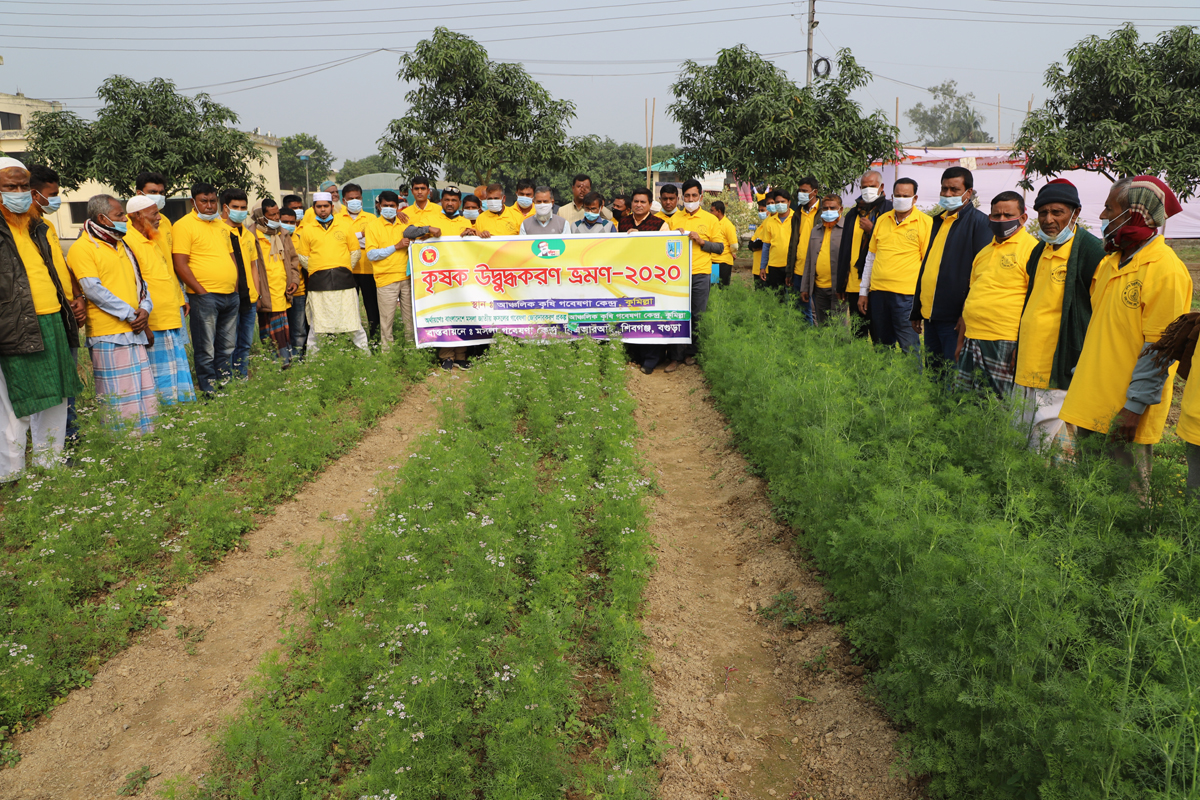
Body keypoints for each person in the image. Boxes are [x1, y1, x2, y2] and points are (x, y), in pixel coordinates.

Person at [1059, 176, 1192, 483]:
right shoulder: (1110, 262)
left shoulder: (1165, 270)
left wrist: (1133, 409)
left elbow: (1160, 348)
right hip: (1092, 398)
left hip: (1125, 410)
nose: (1103, 216)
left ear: (1135, 213)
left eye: (1110, 207)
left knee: (1126, 502)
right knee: (1090, 492)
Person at [0, 157, 81, 481]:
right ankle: (11, 475)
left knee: (57, 397)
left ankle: (51, 465)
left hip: (53, 319)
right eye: (10, 186)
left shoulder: (36, 225)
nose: (19, 193)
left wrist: (70, 303)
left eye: (23, 186)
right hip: (13, 324)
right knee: (14, 403)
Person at [1012, 179, 1106, 452]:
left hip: (1061, 361)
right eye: (1043, 213)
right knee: (1023, 433)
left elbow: (1098, 310)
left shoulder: (1090, 251)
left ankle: (1051, 491)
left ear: (1075, 213)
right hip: (1029, 360)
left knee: (1052, 442)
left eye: (1057, 212)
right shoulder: (1039, 250)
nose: (1049, 219)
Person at [67, 195, 157, 433]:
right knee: (120, 398)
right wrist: (131, 315)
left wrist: (145, 309)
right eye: (119, 215)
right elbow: (93, 290)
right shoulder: (82, 248)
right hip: (109, 335)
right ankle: (123, 448)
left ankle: (148, 443)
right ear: (102, 218)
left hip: (134, 329)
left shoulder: (122, 245)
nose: (124, 218)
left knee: (143, 395)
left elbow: (141, 282)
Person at [952, 191, 1037, 399]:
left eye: (1008, 216)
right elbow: (971, 298)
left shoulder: (1032, 250)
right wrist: (961, 341)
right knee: (966, 403)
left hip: (1004, 341)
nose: (1001, 220)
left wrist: (1024, 348)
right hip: (973, 338)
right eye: (996, 215)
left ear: (1023, 218)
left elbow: (1036, 303)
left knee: (1000, 407)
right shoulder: (984, 252)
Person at [910, 166, 992, 372]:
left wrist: (965, 313)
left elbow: (981, 276)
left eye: (954, 190)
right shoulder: (937, 221)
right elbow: (927, 267)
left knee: (954, 376)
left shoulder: (980, 224)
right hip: (931, 315)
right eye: (944, 189)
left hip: (955, 320)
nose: (947, 194)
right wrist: (917, 309)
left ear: (969, 193)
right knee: (933, 374)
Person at [28, 164, 85, 441]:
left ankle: (69, 433)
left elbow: (60, 267)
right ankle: (50, 441)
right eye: (52, 194)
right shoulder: (20, 229)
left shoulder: (46, 225)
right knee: (47, 382)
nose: (55, 200)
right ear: (33, 193)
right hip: (38, 316)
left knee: (67, 377)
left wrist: (77, 299)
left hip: (63, 312)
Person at [125, 195, 194, 405]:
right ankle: (164, 417)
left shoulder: (151, 237)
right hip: (152, 321)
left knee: (176, 374)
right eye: (154, 213)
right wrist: (144, 323)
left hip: (170, 316)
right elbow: (133, 285)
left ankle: (179, 415)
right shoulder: (128, 240)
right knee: (160, 377)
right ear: (136, 216)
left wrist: (180, 298)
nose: (159, 218)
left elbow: (166, 274)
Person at [172, 181, 238, 393]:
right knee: (206, 348)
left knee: (227, 346)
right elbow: (180, 264)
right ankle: (209, 389)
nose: (210, 206)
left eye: (213, 201)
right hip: (205, 297)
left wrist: (235, 286)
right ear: (193, 202)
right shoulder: (183, 225)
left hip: (230, 295)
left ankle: (225, 385)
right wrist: (201, 292)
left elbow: (230, 257)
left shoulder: (221, 225)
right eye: (204, 201)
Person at [858, 178, 929, 353]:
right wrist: (863, 292)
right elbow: (871, 258)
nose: (901, 198)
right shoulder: (882, 220)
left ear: (915, 198)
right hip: (879, 293)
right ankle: (885, 380)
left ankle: (911, 381)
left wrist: (921, 303)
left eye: (906, 195)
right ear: (891, 195)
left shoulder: (925, 223)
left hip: (906, 297)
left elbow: (928, 265)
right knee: (882, 345)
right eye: (897, 195)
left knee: (909, 347)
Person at [294, 191, 368, 353]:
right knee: (317, 326)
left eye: (325, 206)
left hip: (345, 282)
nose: (322, 210)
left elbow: (354, 252)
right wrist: (320, 268)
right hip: (319, 283)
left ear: (332, 207)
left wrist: (342, 267)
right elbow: (303, 257)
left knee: (353, 324)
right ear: (313, 208)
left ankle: (366, 358)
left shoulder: (345, 226)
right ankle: (313, 363)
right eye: (319, 206)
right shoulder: (307, 230)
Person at [663, 179, 723, 373]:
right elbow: (663, 247)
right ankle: (675, 357)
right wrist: (673, 236)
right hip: (677, 276)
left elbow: (720, 248)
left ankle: (692, 353)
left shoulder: (711, 219)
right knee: (677, 316)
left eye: (694, 196)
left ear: (701, 197)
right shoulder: (673, 219)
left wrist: (701, 241)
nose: (690, 199)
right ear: (682, 197)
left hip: (700, 274)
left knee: (697, 315)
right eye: (687, 196)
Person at [366, 190, 426, 350]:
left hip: (407, 278)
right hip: (386, 279)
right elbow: (372, 254)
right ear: (379, 206)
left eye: (392, 206)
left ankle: (411, 350)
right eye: (385, 205)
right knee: (387, 320)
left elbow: (420, 236)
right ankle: (387, 354)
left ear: (398, 207)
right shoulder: (372, 226)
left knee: (410, 318)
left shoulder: (404, 223)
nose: (389, 208)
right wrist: (396, 247)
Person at [837, 171, 891, 338]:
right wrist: (841, 283)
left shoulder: (889, 211)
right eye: (864, 187)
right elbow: (844, 249)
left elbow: (892, 244)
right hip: (854, 284)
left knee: (879, 334)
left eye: (872, 186)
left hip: (877, 285)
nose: (868, 190)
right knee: (858, 332)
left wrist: (872, 230)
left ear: (881, 187)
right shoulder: (853, 214)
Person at [219, 187, 262, 379]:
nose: (240, 210)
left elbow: (254, 267)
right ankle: (227, 379)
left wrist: (257, 294)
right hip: (229, 296)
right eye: (235, 206)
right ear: (225, 208)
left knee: (245, 342)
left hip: (249, 297)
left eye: (243, 207)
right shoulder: (219, 231)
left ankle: (241, 376)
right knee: (229, 343)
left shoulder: (248, 234)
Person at [253, 198, 301, 367]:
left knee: (283, 329)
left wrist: (294, 281)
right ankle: (273, 364)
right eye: (271, 215)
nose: (276, 218)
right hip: (265, 291)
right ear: (260, 216)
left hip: (282, 289)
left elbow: (293, 261)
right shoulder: (252, 235)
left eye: (277, 214)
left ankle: (285, 362)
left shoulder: (282, 233)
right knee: (268, 331)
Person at [340, 182, 379, 347]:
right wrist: (359, 236)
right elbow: (340, 241)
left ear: (362, 199)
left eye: (357, 198)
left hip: (368, 269)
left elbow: (371, 242)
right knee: (348, 308)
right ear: (344, 201)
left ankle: (375, 340)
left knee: (372, 308)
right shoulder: (337, 220)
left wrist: (353, 239)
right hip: (347, 270)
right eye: (351, 199)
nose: (354, 201)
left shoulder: (371, 218)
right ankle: (351, 342)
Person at [798, 196, 846, 325]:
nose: (829, 210)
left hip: (839, 288)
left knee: (839, 326)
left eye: (832, 208)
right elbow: (809, 260)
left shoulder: (848, 229)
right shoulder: (815, 231)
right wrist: (805, 287)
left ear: (840, 209)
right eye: (826, 208)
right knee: (823, 325)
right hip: (819, 288)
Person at [785, 177, 822, 319]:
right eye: (799, 191)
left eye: (805, 191)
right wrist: (789, 272)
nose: (801, 194)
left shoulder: (824, 211)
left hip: (817, 269)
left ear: (815, 192)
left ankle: (818, 338)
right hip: (799, 269)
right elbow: (793, 243)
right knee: (800, 309)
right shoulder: (798, 213)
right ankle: (805, 338)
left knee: (818, 310)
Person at [757, 190, 793, 292]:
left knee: (792, 297)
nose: (780, 204)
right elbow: (766, 246)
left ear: (789, 202)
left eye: (783, 202)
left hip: (791, 265)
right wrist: (763, 267)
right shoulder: (769, 221)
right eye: (777, 202)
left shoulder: (796, 218)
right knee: (777, 298)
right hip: (774, 266)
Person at [136, 171, 174, 264]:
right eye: (153, 192)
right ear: (139, 194)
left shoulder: (165, 220)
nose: (158, 196)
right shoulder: (129, 224)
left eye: (161, 192)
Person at [709, 200, 739, 288]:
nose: (710, 213)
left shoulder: (728, 225)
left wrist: (733, 253)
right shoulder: (713, 223)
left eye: (712, 210)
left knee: (723, 288)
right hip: (713, 260)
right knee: (713, 287)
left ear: (719, 211)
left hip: (724, 262)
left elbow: (734, 244)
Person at [748, 197, 769, 288]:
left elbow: (759, 243)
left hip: (766, 268)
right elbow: (751, 244)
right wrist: (754, 244)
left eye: (762, 210)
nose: (760, 213)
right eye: (759, 210)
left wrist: (754, 244)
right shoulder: (761, 226)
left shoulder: (768, 225)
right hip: (756, 268)